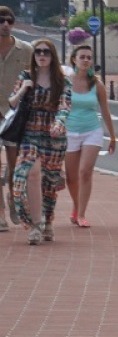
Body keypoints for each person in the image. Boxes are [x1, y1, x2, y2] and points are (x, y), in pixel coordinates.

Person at [7, 38, 70, 245]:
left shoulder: (62, 81)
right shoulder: (26, 76)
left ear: (53, 56)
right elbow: (12, 102)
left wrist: (58, 125)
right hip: (29, 134)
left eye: (46, 52)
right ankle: (34, 225)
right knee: (28, 174)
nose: (42, 55)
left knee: (49, 183)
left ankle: (48, 221)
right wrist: (23, 89)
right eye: (38, 52)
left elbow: (64, 106)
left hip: (53, 137)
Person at [64, 44, 116, 228]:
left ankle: (82, 214)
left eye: (89, 57)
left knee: (85, 172)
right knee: (71, 176)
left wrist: (112, 136)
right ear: (74, 60)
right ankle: (76, 207)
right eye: (82, 57)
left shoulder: (97, 84)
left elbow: (105, 111)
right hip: (69, 131)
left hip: (92, 130)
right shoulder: (65, 82)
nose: (86, 60)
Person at [0, 5, 32, 231]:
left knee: (14, 166)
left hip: (14, 115)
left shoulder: (26, 50)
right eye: (1, 21)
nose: (5, 25)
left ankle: (13, 200)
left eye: (9, 21)